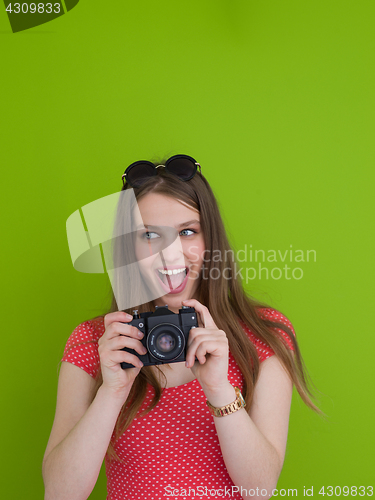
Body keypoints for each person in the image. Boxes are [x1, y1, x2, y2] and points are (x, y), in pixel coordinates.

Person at [43, 155, 318, 500]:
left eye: (188, 231)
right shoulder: (93, 342)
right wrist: (111, 393)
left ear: (210, 240)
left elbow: (259, 490)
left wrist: (219, 390)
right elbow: (59, 494)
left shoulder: (263, 336)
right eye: (149, 235)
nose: (170, 255)